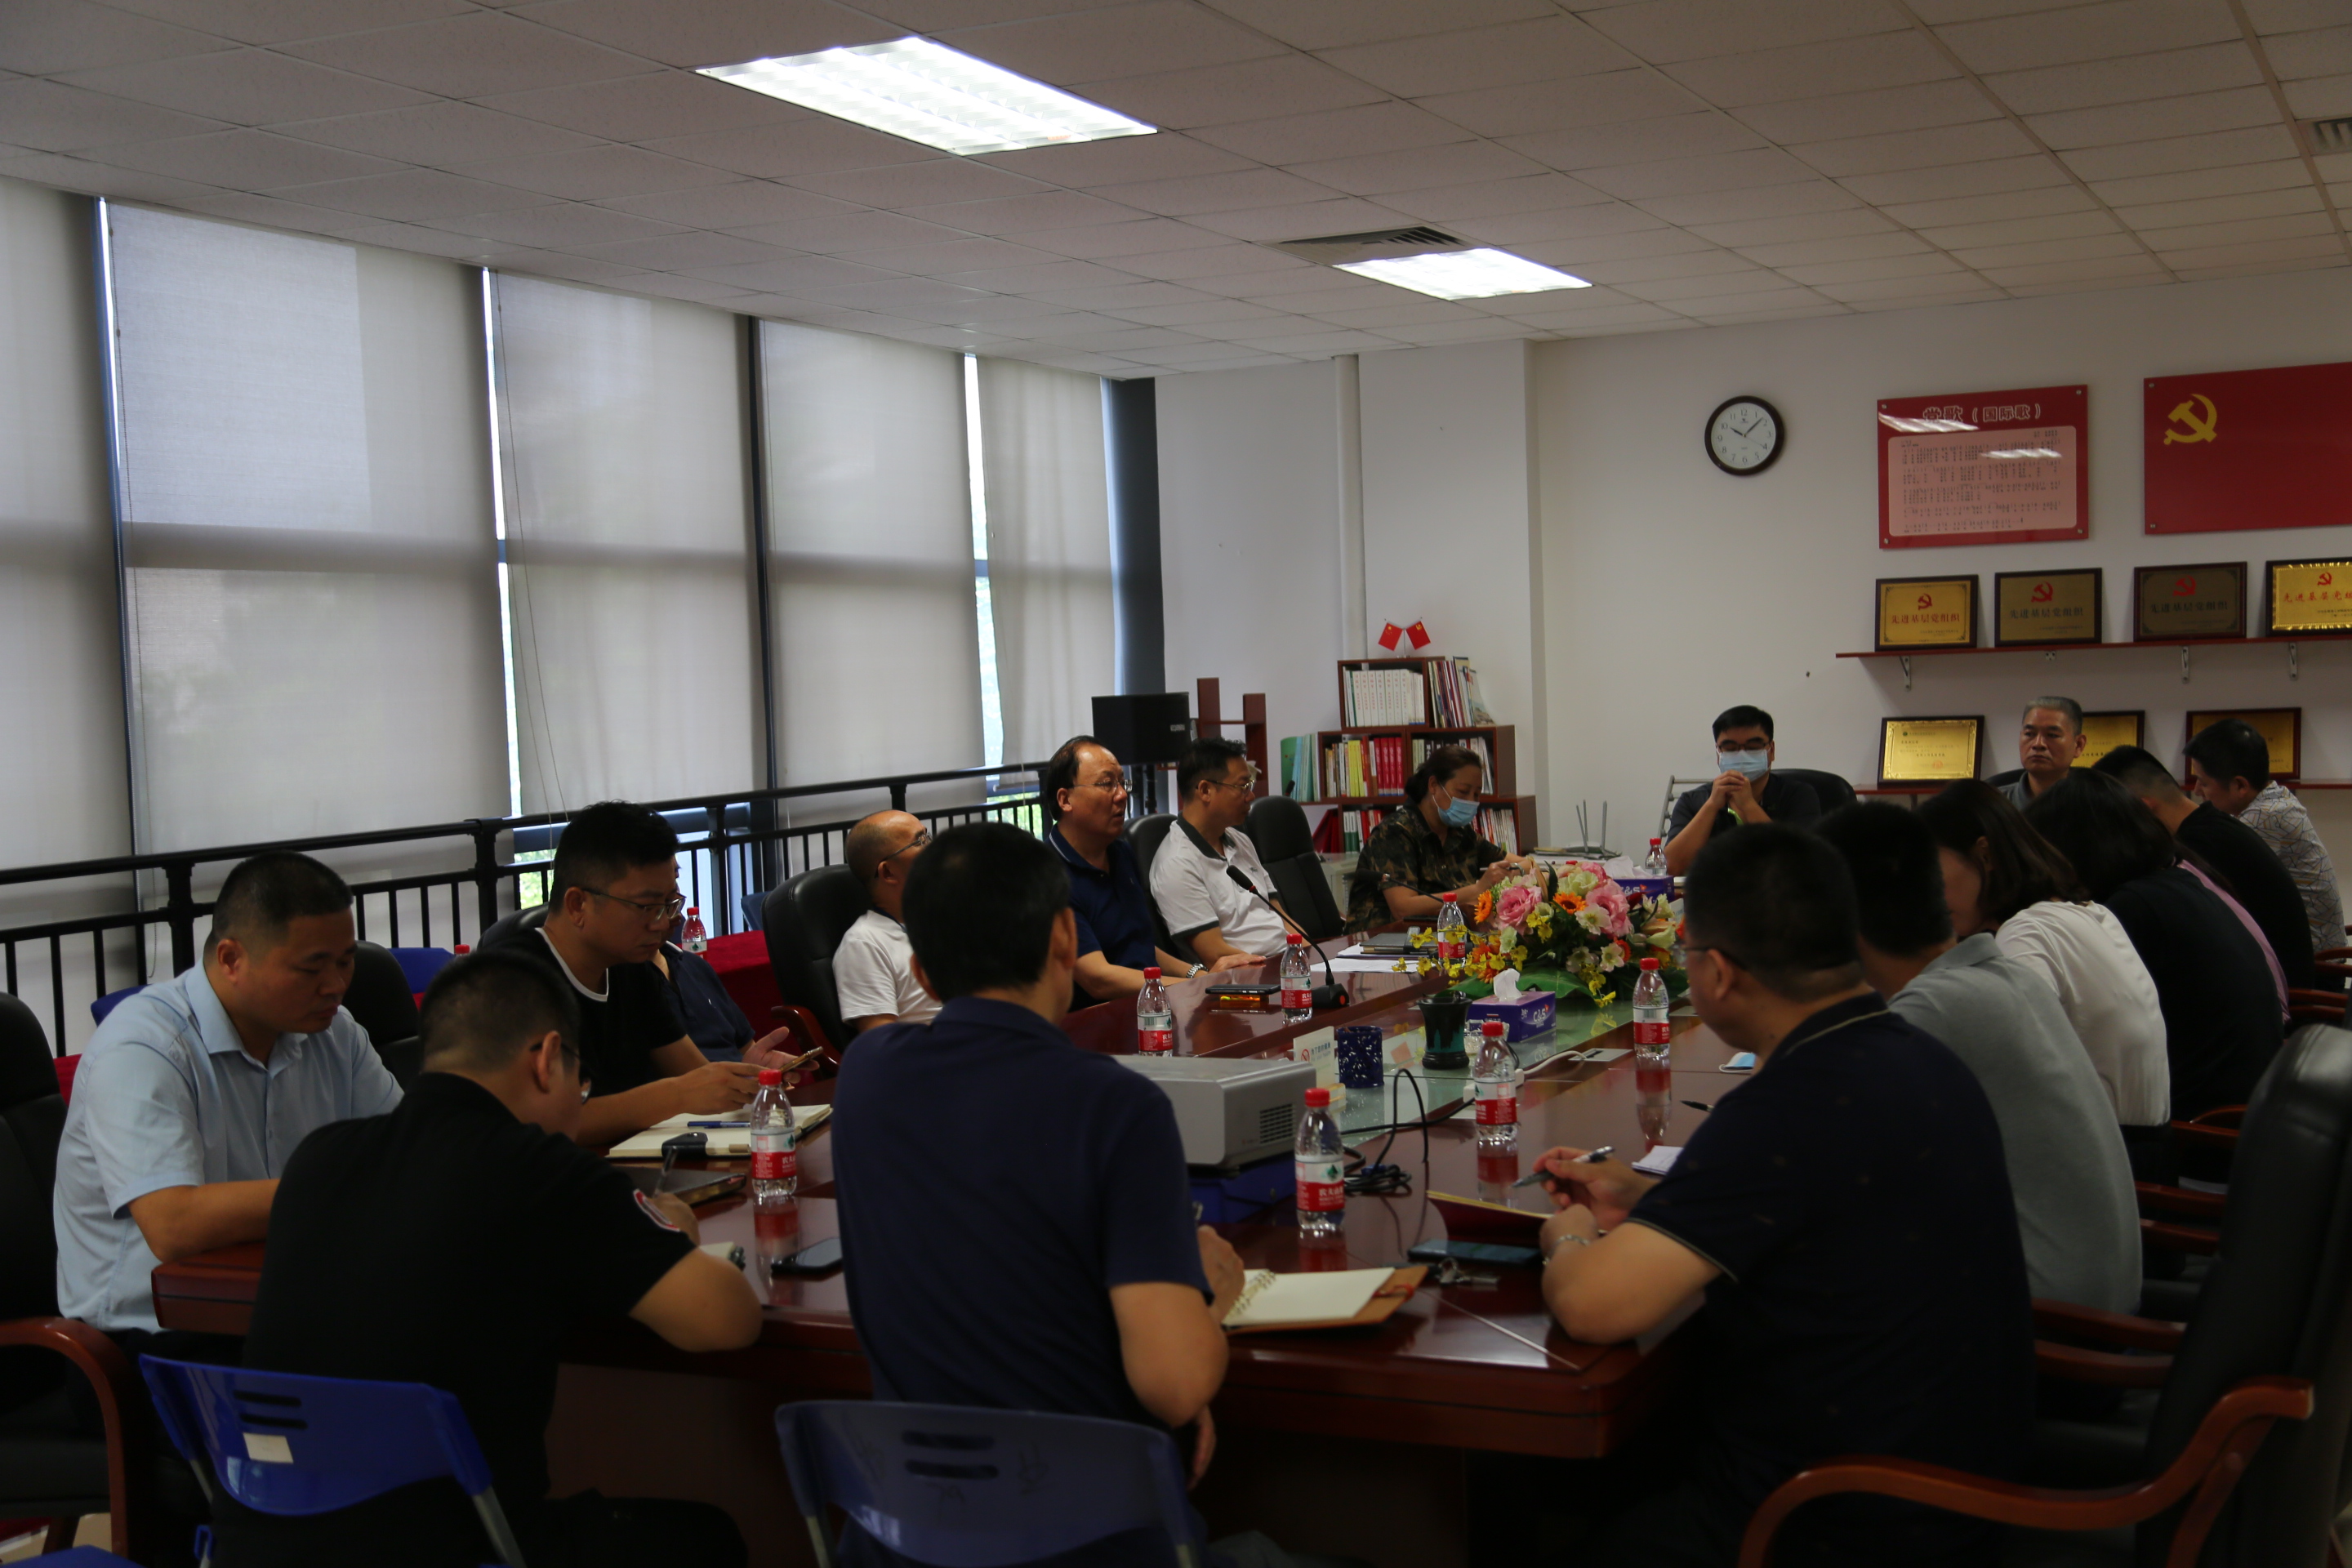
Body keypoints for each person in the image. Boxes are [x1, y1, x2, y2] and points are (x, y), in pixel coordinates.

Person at [1527, 825, 2030, 1568]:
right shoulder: (1916, 1054)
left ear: (1720, 973)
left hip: (1830, 1520)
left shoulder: (1789, 1105)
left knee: (1538, 1512)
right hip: (1957, 1486)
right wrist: (1645, 1194)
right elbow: (1813, 1205)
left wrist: (1566, 1232)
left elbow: (1593, 1305)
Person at [210, 950, 763, 1568]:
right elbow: (725, 1320)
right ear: (547, 1058)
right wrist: (671, 1230)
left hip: (256, 1544)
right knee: (706, 1538)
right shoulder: (545, 1171)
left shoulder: (319, 1159)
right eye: (580, 1083)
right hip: (454, 1549)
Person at [831, 822, 1277, 1564]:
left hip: (904, 1544)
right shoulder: (1116, 1105)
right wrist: (1212, 1294)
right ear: (1067, 938)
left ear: (923, 976)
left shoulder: (868, 1075)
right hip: (1091, 1544)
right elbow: (1174, 1386)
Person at [54, 851, 403, 1340]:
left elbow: (406, 1154)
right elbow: (174, 1224)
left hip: (284, 1303)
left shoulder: (334, 1033)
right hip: (157, 1336)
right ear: (231, 959)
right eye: (312, 968)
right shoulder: (144, 1047)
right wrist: (337, 1187)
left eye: (346, 962)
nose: (336, 986)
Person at [1815, 804, 2139, 1312]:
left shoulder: (1936, 1009)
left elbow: (1825, 1167)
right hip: (2092, 1301)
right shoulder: (2002, 975)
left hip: (2049, 1328)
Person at [482, 801, 795, 1144]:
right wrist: (677, 1094)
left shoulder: (630, 968)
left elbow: (695, 1074)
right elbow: (539, 1123)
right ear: (577, 905)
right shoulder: (508, 983)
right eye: (646, 907)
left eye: (668, 904)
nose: (663, 924)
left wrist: (747, 1078)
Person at [1916, 782, 2169, 1140]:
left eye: (1930, 871)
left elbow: (2019, 1072)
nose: (1926, 893)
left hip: (2109, 1149)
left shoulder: (2024, 934)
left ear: (1985, 855)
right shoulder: (2088, 911)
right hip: (2145, 1144)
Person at [2025, 773, 2283, 1117]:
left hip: (2202, 1123)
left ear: (2075, 849)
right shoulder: (2176, 880)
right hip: (2250, 1106)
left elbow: (2092, 1035)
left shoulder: (2131, 908)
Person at [1045, 736, 1255, 1000]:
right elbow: (1098, 979)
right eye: (1106, 784)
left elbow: (1140, 945)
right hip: (1098, 1016)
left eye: (1122, 783)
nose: (1122, 795)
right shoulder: (1048, 875)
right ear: (1065, 799)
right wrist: (1194, 987)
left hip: (1149, 1001)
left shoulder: (1120, 852)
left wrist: (1199, 975)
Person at [2095, 744, 2316, 990]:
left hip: (2282, 994)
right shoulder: (2214, 827)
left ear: (2141, 808)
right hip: (2279, 984)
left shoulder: (2196, 849)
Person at [2187, 718, 2345, 970]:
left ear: (2240, 785)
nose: (2197, 791)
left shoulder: (2264, 817)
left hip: (2312, 968)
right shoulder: (2276, 798)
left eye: (2203, 782)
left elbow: (2210, 885)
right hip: (2310, 953)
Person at [1344, 742, 1530, 930]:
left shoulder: (1461, 834)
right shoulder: (1395, 832)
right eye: (1463, 792)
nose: (1471, 802)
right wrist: (1478, 889)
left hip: (1446, 936)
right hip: (1383, 939)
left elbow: (1526, 863)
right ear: (1433, 785)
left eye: (1476, 794)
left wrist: (1512, 872)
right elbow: (1403, 909)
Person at [1152, 737, 1285, 967]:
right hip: (1251, 973)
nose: (1251, 796)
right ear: (1206, 790)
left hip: (1285, 961)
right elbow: (1215, 954)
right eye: (1243, 787)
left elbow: (1280, 916)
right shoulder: (1176, 862)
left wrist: (1308, 952)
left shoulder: (1240, 840)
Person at [1662, 706, 1822, 875]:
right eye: (1730, 748)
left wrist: (1748, 805)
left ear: (1771, 751)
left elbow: (1802, 863)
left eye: (1753, 747)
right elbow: (1671, 867)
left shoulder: (1798, 795)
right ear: (1718, 753)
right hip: (1714, 890)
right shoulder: (1693, 800)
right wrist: (1711, 806)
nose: (1742, 755)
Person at [834, 809, 943, 1032]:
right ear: (889, 872)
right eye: (921, 841)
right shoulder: (865, 943)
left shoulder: (948, 919)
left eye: (928, 836)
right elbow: (881, 1041)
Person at [1994, 696, 2087, 809]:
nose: (2038, 744)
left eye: (2052, 735)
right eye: (2029, 734)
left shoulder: (2096, 806)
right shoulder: (1991, 805)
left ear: (2078, 745)